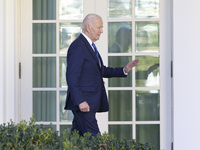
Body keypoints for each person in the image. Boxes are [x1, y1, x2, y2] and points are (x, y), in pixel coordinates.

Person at [64, 13, 139, 137]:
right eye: (99, 27)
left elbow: (100, 70)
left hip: (88, 103)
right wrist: (80, 101)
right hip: (84, 103)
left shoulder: (89, 46)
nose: (102, 31)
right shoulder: (78, 46)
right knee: (95, 140)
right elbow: (71, 77)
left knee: (76, 140)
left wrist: (124, 69)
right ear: (88, 27)